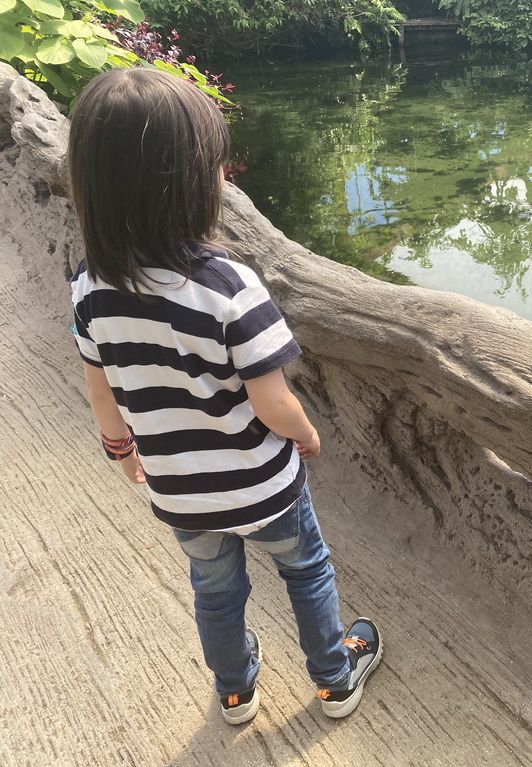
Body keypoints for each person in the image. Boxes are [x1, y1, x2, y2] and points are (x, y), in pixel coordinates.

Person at [67, 67, 381, 725]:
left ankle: (235, 690)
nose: (223, 176)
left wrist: (121, 450)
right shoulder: (229, 287)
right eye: (214, 167)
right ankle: (334, 679)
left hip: (179, 492)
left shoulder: (89, 290)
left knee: (214, 591)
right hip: (262, 485)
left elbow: (101, 389)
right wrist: (304, 434)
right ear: (184, 187)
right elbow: (271, 400)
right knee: (307, 572)